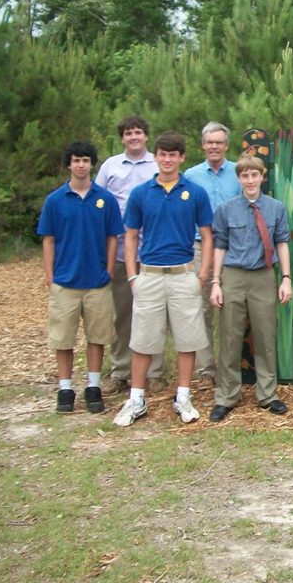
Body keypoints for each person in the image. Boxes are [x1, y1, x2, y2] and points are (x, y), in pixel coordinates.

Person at [113, 132, 214, 427]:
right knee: (143, 341)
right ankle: (136, 398)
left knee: (187, 339)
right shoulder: (142, 193)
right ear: (155, 157)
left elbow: (207, 236)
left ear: (182, 158)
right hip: (150, 275)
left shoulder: (194, 193)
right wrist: (132, 274)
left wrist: (203, 273)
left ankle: (183, 396)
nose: (168, 160)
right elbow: (130, 235)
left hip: (184, 275)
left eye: (174, 155)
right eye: (163, 154)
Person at [38, 141, 123, 414]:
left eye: (86, 160)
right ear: (69, 164)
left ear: (92, 164)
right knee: (63, 339)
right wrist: (50, 275)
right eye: (76, 160)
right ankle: (65, 389)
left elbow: (113, 237)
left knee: (97, 337)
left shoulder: (105, 199)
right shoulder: (55, 200)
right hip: (65, 282)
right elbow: (48, 240)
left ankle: (93, 386)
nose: (81, 165)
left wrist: (109, 269)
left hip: (97, 281)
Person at [208, 154, 292, 421]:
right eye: (245, 175)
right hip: (233, 275)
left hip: (263, 276)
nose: (250, 180)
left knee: (266, 335)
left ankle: (268, 394)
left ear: (262, 176)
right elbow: (220, 245)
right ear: (239, 178)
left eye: (254, 175)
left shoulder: (276, 208)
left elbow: (282, 243)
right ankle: (227, 396)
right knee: (230, 336)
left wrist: (286, 278)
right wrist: (216, 282)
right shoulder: (226, 209)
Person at [95, 116, 162, 396]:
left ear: (146, 136)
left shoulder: (158, 164)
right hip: (122, 253)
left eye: (138, 132)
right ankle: (120, 371)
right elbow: (98, 204)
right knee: (122, 315)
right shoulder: (110, 166)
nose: (134, 137)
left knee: (155, 316)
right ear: (122, 138)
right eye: (128, 133)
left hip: (154, 253)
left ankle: (155, 373)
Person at [184, 122, 241, 388]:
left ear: (226, 145)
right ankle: (206, 369)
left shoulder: (238, 173)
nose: (214, 146)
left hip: (233, 247)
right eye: (210, 142)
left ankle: (230, 367)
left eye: (219, 142)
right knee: (201, 308)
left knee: (231, 310)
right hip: (199, 248)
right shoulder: (191, 176)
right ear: (203, 145)